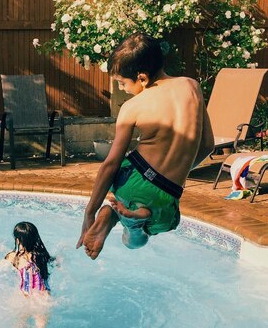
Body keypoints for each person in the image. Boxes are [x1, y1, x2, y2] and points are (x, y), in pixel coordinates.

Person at [76, 32, 215, 259]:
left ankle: (113, 216)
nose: (123, 89)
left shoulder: (132, 107)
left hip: (133, 179)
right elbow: (207, 145)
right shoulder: (192, 86)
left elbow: (110, 164)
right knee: (135, 241)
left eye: (122, 83)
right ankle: (132, 219)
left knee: (129, 239)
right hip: (168, 192)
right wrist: (174, 175)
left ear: (142, 78)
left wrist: (89, 213)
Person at [5, 221, 56, 328]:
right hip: (43, 297)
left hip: (25, 296)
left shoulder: (13, 257)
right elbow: (55, 263)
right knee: (41, 324)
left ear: (17, 240)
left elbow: (3, 265)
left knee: (21, 325)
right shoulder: (41, 256)